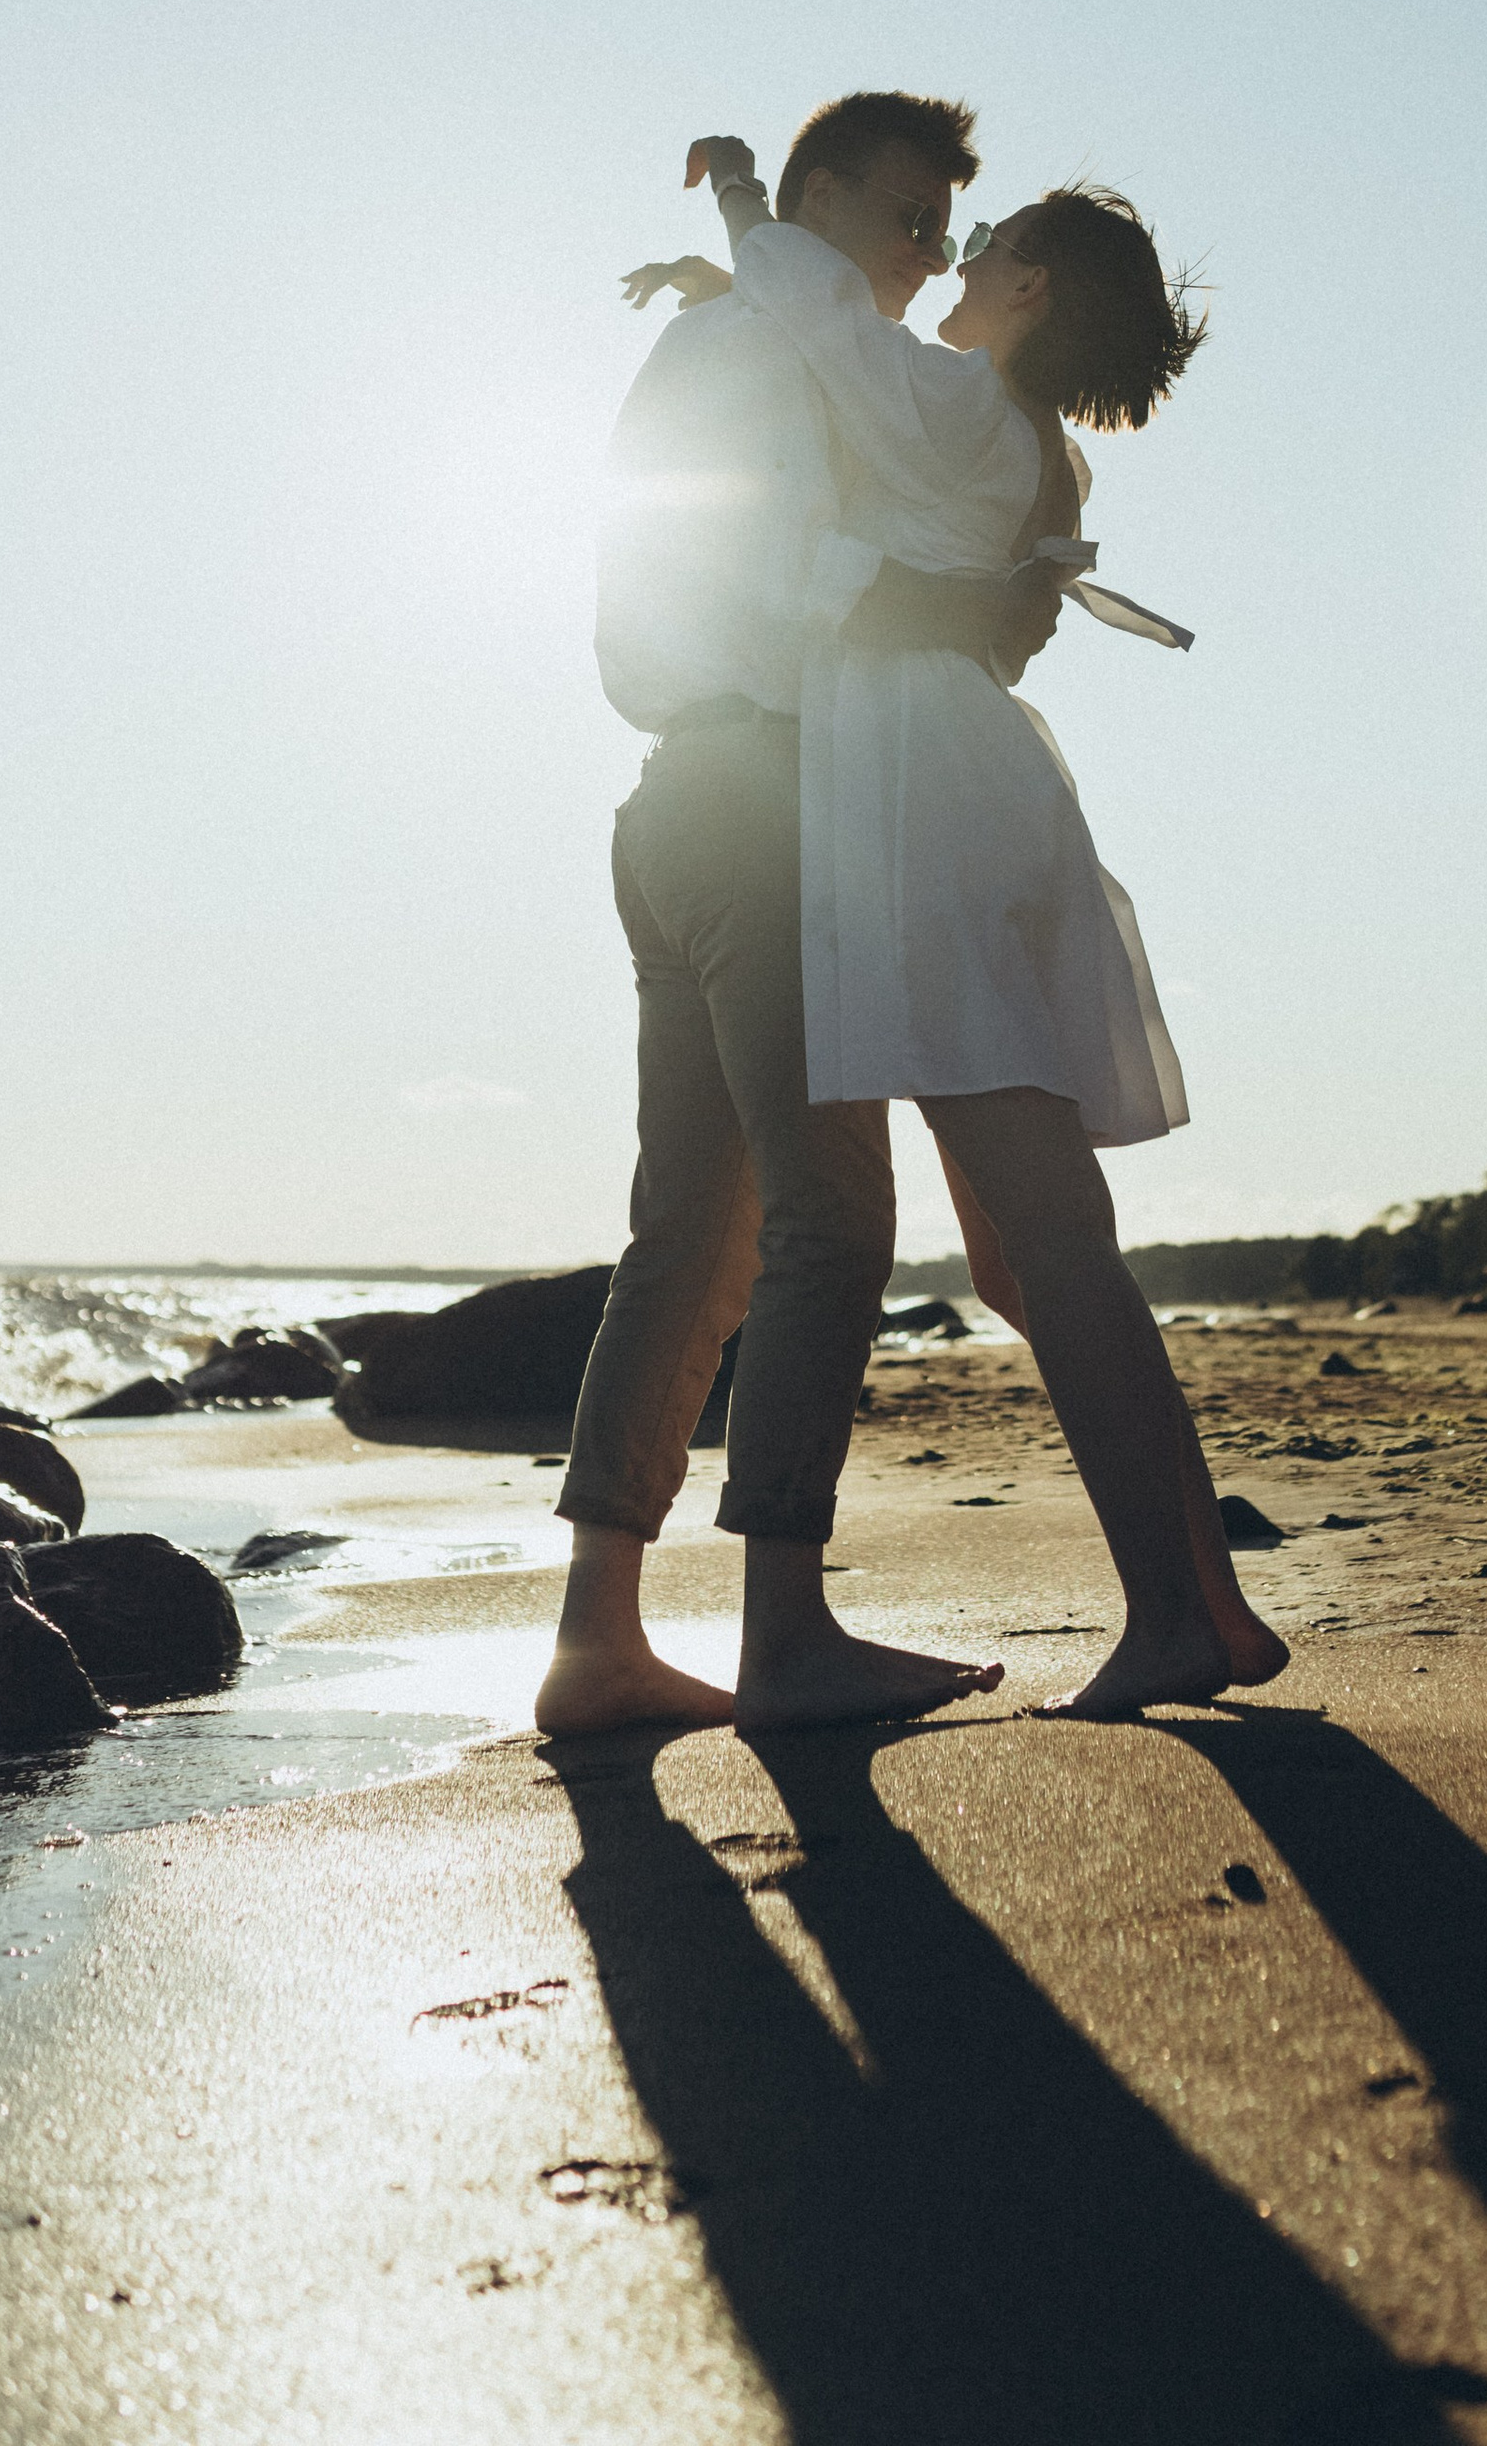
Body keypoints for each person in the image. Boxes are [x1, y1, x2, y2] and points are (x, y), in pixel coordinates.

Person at [694, 130, 1284, 1717]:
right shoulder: (1018, 438)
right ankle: (1207, 1604)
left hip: (925, 806)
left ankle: (1172, 1611)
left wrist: (746, 199)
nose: (951, 260)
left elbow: (825, 334)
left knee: (1050, 1233)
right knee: (1042, 1244)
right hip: (971, 784)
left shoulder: (961, 405)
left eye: (984, 241)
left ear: (1027, 286)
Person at [535, 92, 1065, 1740]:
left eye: (943, 235)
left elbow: (789, 288)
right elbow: (788, 569)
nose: (924, 262)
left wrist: (745, 225)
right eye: (906, 221)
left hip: (678, 801)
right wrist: (992, 598)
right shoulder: (766, 348)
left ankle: (599, 1639)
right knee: (832, 1213)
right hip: (756, 803)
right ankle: (785, 1628)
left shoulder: (757, 324)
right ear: (832, 200)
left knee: (692, 1232)